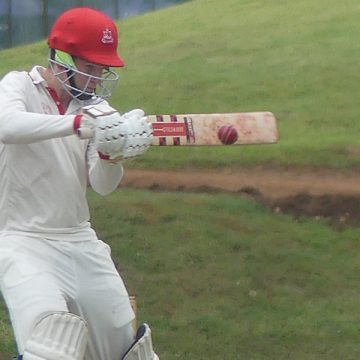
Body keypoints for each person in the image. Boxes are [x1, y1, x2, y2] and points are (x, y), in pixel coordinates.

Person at [0, 7, 158, 360]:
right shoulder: (19, 85)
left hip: (79, 238)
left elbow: (103, 186)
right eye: (88, 68)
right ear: (59, 58)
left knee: (129, 351)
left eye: (101, 70)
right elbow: (7, 126)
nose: (95, 79)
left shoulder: (98, 109)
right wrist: (76, 126)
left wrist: (112, 153)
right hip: (22, 240)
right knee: (50, 346)